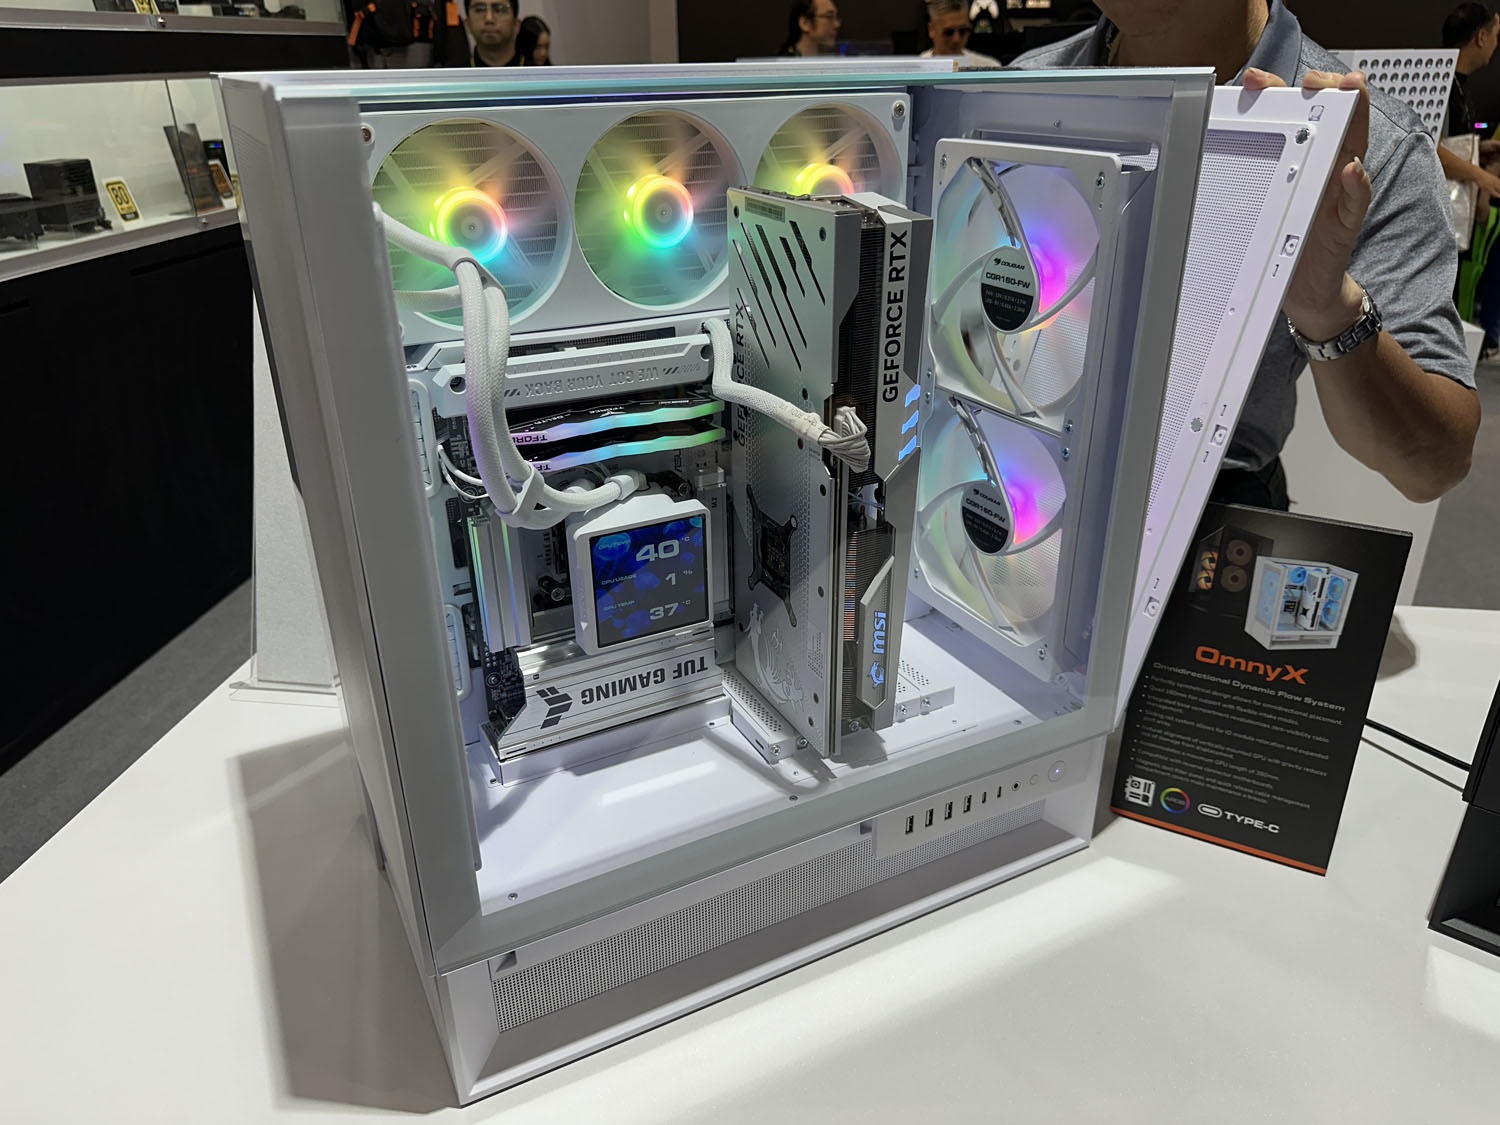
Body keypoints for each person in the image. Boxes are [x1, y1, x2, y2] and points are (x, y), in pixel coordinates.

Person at [1013, 0, 1480, 508]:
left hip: (1209, 516)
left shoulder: (1370, 149)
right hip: (1009, 485)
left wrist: (1327, 309)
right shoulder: (1020, 90)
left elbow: (1432, 467)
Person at [1441, 3, 1500, 352]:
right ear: (1480, 37)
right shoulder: (1443, 85)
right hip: (1440, 219)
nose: (1496, 45)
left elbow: (1448, 144)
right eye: (1496, 35)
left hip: (1455, 221)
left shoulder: (1459, 86)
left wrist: (1478, 150)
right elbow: (1429, 148)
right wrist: (1482, 177)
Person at [920, 0, 1001, 65]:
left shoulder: (989, 68)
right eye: (949, 32)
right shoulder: (917, 69)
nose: (956, 39)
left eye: (963, 31)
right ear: (932, 30)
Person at [465, 0, 522, 66]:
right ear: (468, 24)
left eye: (499, 9)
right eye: (479, 10)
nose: (489, 19)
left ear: (516, 25)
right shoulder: (457, 71)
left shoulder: (532, 69)